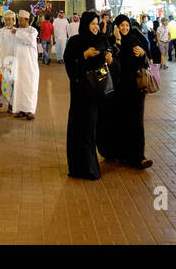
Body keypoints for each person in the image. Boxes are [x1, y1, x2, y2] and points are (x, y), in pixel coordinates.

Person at [63, 11, 113, 180]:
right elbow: (69, 62)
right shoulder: (76, 41)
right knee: (79, 126)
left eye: (96, 23)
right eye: (92, 24)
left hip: (97, 91)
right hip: (80, 91)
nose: (95, 27)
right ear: (85, 24)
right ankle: (79, 167)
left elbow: (110, 54)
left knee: (92, 127)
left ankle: (91, 165)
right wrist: (84, 55)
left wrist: (109, 56)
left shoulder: (102, 40)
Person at [107, 15, 153, 169]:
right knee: (122, 121)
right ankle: (124, 154)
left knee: (137, 122)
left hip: (136, 89)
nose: (124, 28)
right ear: (116, 27)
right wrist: (118, 42)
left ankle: (139, 157)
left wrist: (143, 55)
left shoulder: (135, 40)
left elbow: (145, 62)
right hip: (120, 89)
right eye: (121, 26)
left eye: (126, 25)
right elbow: (114, 62)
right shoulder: (113, 42)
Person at [9, 11, 41, 119]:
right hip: (19, 65)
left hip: (29, 65)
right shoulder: (17, 31)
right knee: (19, 87)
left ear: (27, 20)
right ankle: (20, 109)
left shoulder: (33, 31)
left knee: (30, 86)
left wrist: (17, 33)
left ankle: (30, 110)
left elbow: (30, 39)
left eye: (21, 20)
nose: (19, 22)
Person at [0, 13, 18, 112]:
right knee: (0, 82)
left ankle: (11, 104)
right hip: (1, 61)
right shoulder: (0, 32)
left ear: (13, 20)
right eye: (6, 19)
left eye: (10, 20)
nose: (8, 21)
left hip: (12, 62)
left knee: (11, 83)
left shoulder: (17, 32)